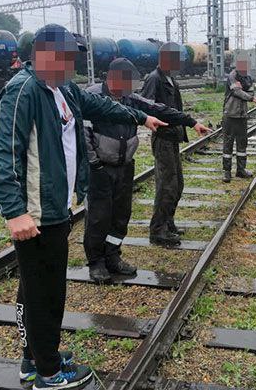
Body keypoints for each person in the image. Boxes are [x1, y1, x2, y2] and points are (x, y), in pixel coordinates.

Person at [0, 24, 167, 390]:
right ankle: (49, 374)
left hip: (56, 206)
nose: (72, 62)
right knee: (45, 292)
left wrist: (140, 117)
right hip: (35, 213)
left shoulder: (64, 89)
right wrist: (13, 211)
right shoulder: (23, 91)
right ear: (43, 53)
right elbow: (3, 154)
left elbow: (99, 104)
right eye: (66, 54)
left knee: (37, 288)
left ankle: (35, 358)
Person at [82, 58, 210, 282]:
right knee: (98, 217)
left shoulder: (129, 98)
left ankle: (113, 256)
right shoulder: (93, 97)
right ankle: (96, 263)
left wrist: (191, 122)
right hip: (100, 168)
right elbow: (83, 134)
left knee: (121, 216)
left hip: (124, 166)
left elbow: (157, 109)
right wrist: (95, 164)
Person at [140, 42, 194, 246]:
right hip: (163, 138)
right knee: (166, 186)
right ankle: (157, 231)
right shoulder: (154, 79)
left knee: (177, 184)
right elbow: (145, 105)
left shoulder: (170, 79)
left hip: (173, 138)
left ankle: (168, 222)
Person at [221, 55, 256, 183]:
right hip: (230, 115)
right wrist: (254, 99)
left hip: (242, 116)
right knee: (228, 144)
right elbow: (237, 92)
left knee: (242, 143)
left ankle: (241, 170)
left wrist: (248, 94)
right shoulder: (232, 76)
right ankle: (227, 172)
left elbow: (249, 92)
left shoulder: (248, 79)